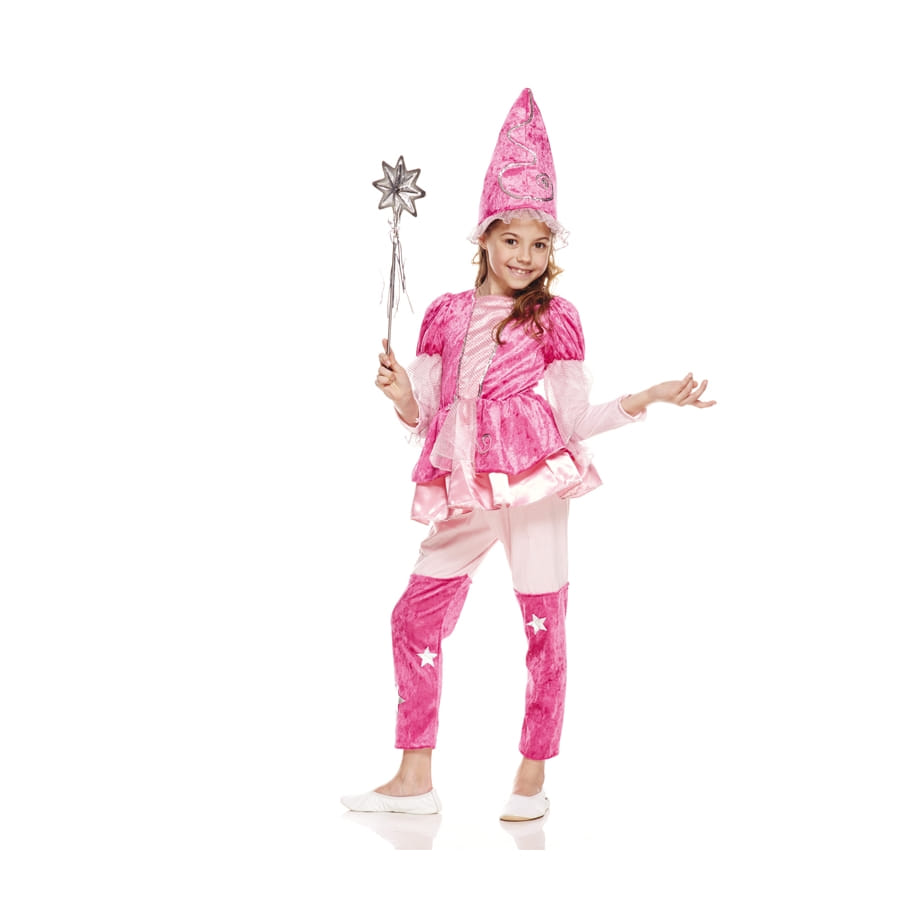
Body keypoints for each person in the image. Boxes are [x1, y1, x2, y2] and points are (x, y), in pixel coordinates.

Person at [341, 88, 715, 823]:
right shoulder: (445, 315)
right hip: (465, 488)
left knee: (544, 623)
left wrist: (647, 397)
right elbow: (427, 416)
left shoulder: (556, 319)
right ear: (484, 238)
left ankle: (532, 773)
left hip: (536, 485)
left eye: (539, 244)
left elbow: (572, 421)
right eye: (511, 239)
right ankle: (414, 778)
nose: (525, 256)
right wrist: (399, 393)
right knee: (413, 619)